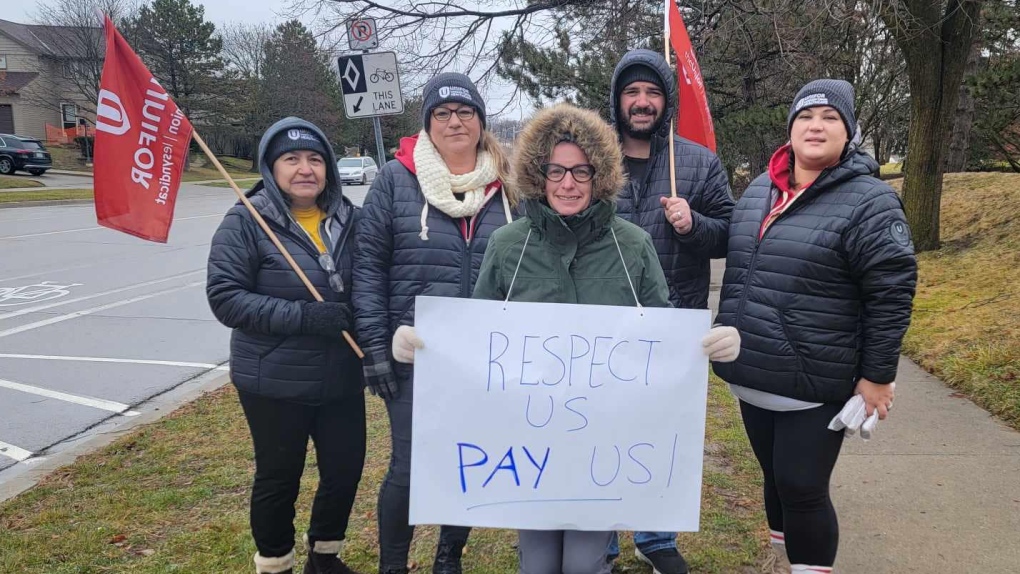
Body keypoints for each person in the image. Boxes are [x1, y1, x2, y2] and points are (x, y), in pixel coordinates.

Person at [469, 103, 741, 574]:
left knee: (582, 564)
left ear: (601, 176)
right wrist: (430, 346)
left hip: (601, 441)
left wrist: (707, 343)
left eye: (581, 171)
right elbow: (477, 338)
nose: (568, 183)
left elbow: (662, 326)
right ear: (538, 174)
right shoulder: (508, 245)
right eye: (557, 171)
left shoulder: (631, 243)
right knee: (537, 566)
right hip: (530, 441)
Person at [712, 79, 918, 574]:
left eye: (830, 117)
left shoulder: (870, 201)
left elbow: (890, 294)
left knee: (803, 487)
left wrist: (877, 377)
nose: (816, 126)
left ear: (849, 131)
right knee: (775, 477)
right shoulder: (760, 189)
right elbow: (743, 266)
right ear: (791, 128)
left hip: (816, 379)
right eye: (806, 116)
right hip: (753, 372)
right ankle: (786, 559)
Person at [352, 72, 515, 574]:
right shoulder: (395, 180)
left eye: (465, 112)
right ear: (427, 123)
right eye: (441, 113)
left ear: (481, 121)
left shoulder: (507, 184)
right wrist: (376, 348)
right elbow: (367, 268)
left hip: (482, 359)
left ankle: (449, 558)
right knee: (407, 468)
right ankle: (393, 565)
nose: (454, 121)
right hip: (414, 354)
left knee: (463, 463)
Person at [207, 117, 365, 574]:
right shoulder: (247, 219)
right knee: (279, 478)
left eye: (315, 159)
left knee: (344, 469)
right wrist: (303, 316)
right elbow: (226, 298)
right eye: (291, 159)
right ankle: (275, 563)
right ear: (271, 167)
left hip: (340, 374)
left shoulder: (348, 219)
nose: (305, 169)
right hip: (273, 378)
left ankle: (326, 554)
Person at [607, 48, 736, 574]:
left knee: (660, 432)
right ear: (617, 100)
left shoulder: (698, 162)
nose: (642, 102)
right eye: (632, 92)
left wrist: (693, 224)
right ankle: (604, 539)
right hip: (604, 325)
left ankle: (655, 536)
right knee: (606, 430)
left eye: (653, 92)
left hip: (674, 321)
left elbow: (729, 232)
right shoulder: (592, 159)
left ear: (667, 102)